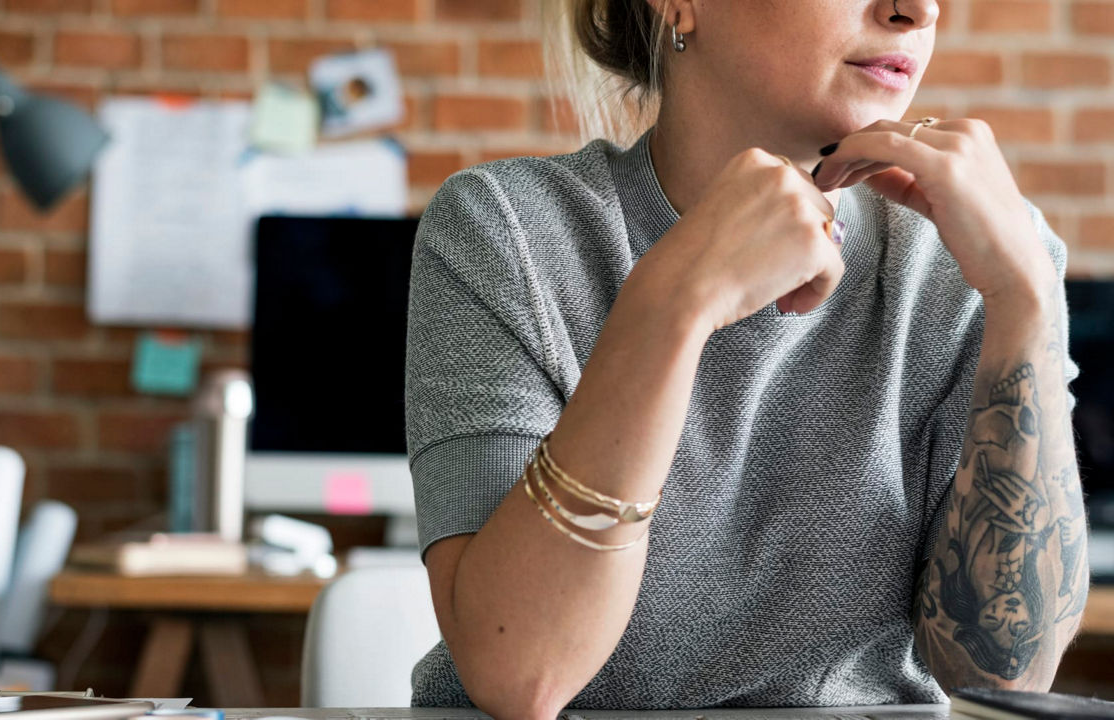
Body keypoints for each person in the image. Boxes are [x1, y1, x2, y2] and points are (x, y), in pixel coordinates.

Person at [402, 0, 1090, 717]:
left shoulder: (974, 257)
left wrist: (1025, 300)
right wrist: (679, 301)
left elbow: (1002, 674)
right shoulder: (505, 230)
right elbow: (523, 675)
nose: (916, 10)